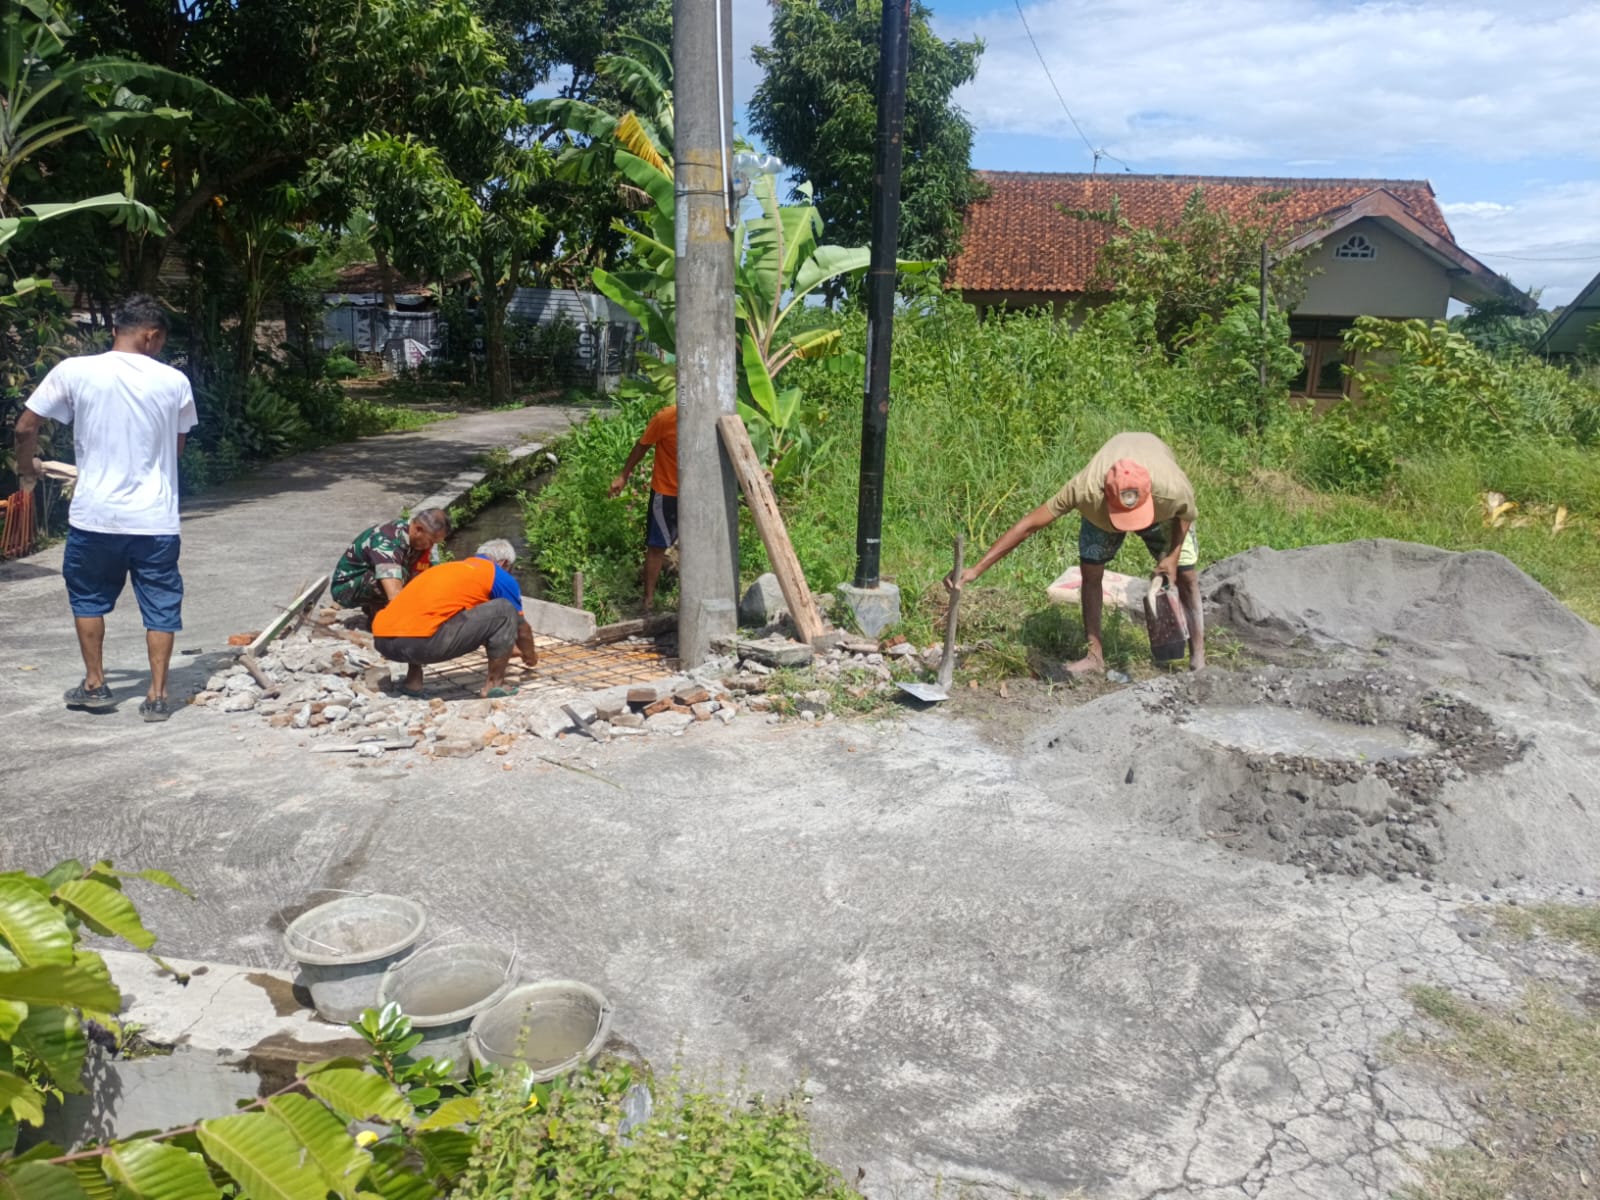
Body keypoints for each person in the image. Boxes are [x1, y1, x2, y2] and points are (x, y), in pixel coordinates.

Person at [13, 295, 198, 722]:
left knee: (88, 599)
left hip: (95, 517)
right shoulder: (174, 382)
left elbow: (26, 425)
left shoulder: (76, 371)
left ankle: (95, 684)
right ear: (152, 336)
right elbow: (178, 447)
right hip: (155, 520)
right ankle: (156, 695)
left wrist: (27, 468)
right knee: (161, 603)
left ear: (117, 329)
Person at [952, 431, 1205, 673]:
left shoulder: (1171, 491)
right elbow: (1028, 525)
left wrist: (1172, 557)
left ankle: (1198, 656)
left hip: (1158, 511)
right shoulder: (1085, 490)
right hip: (1102, 514)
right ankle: (1094, 656)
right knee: (1091, 570)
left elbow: (1186, 515)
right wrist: (976, 569)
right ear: (1105, 495)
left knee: (1186, 575)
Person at [371, 538, 538, 698]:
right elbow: (521, 628)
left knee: (427, 616)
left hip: (383, 641)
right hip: (421, 646)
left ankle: (413, 682)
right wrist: (530, 656)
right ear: (504, 563)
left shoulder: (450, 569)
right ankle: (494, 685)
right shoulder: (498, 575)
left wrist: (509, 647)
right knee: (505, 609)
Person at [607, 404, 677, 612]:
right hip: (666, 491)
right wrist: (624, 475)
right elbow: (642, 446)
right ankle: (647, 601)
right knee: (656, 547)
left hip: (696, 494)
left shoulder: (709, 418)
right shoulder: (665, 418)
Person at [331, 508, 450, 617]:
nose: (430, 546)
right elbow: (394, 592)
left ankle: (378, 609)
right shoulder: (387, 540)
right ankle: (382, 614)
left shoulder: (417, 541)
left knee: (429, 577)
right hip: (347, 588)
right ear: (418, 529)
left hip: (375, 580)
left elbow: (434, 573)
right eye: (430, 541)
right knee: (398, 575)